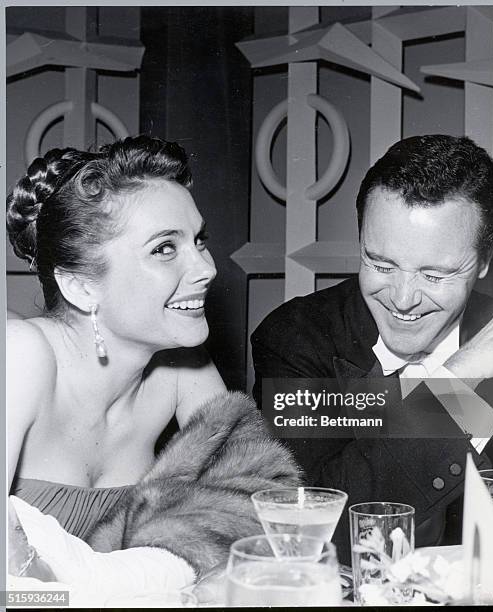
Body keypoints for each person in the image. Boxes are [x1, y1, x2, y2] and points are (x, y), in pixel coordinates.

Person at [7, 135, 300, 601]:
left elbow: (266, 506)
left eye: (198, 240)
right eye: (165, 248)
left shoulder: (182, 365)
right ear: (81, 286)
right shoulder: (21, 355)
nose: (206, 268)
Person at [251, 134, 493, 563]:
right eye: (380, 264)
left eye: (436, 275)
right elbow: (310, 536)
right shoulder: (296, 337)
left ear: (483, 263)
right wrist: (456, 379)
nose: (403, 300)